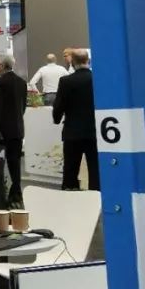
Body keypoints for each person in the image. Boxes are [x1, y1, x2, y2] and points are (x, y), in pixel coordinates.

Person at [52, 49, 100, 191]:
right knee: (95, 169)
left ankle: (70, 194)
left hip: (72, 131)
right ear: (88, 61)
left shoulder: (66, 81)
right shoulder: (97, 79)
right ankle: (96, 196)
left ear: (72, 63)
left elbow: (59, 105)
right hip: (94, 131)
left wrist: (56, 119)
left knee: (70, 170)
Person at [0, 54, 27, 207]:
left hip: (2, 132)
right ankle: (16, 193)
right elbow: (23, 106)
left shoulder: (0, 83)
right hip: (17, 128)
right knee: (15, 163)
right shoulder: (22, 82)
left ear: (2, 66)